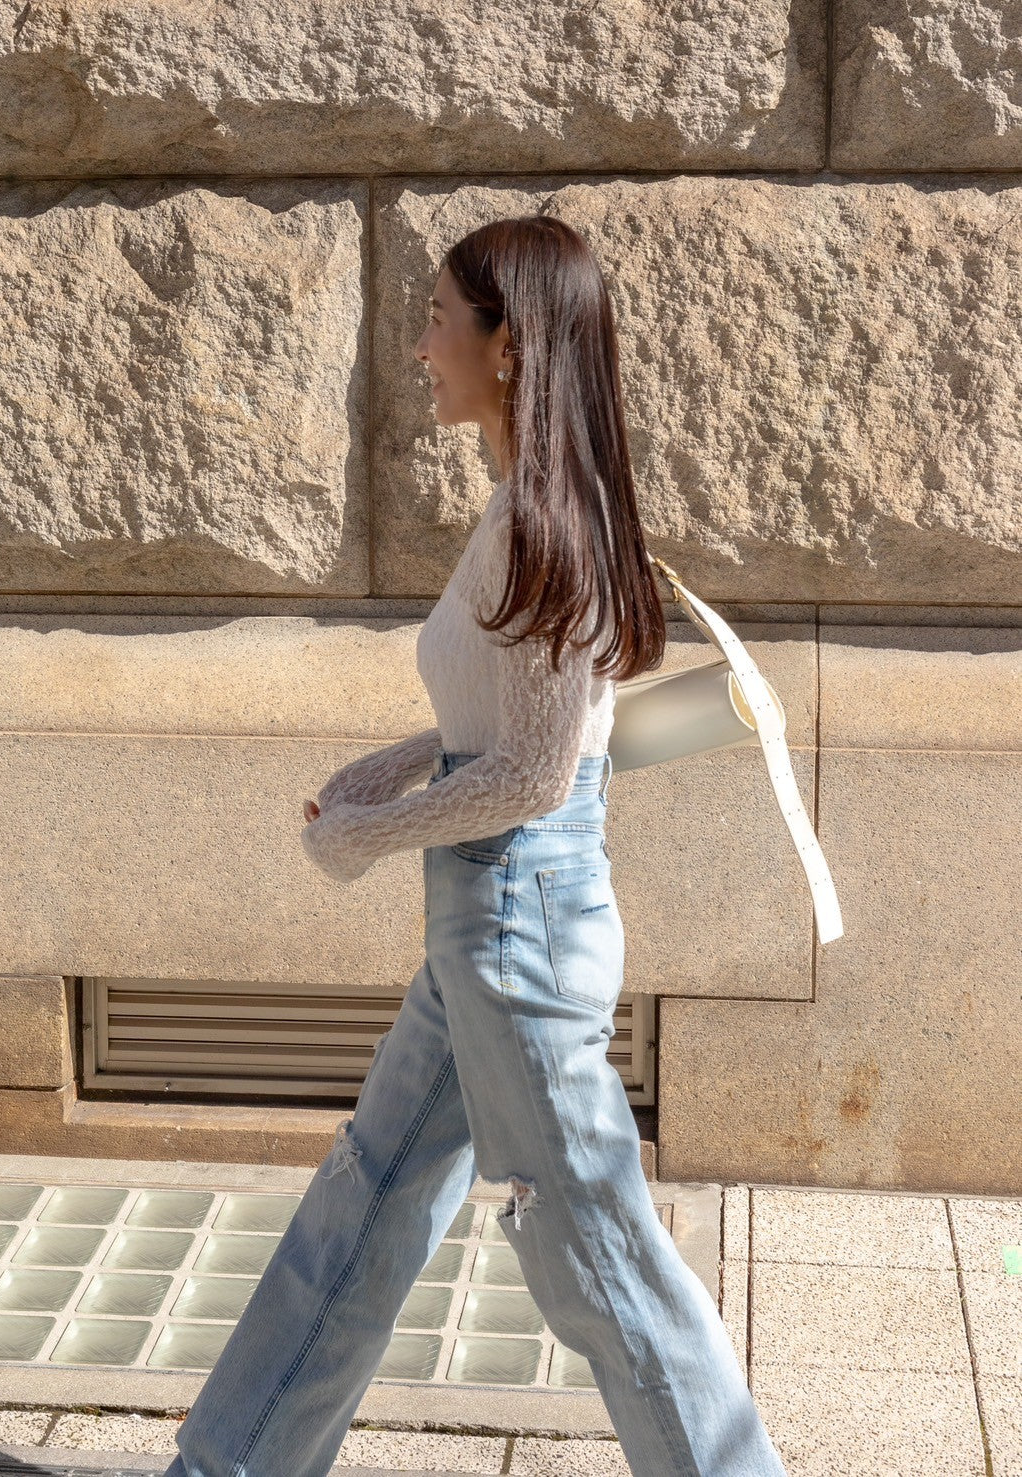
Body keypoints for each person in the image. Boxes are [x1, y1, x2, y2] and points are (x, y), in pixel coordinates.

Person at [166, 216, 788, 1477]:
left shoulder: (543, 521)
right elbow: (491, 722)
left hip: (516, 931)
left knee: (597, 1245)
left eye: (438, 320)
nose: (417, 348)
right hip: (489, 926)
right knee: (370, 1199)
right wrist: (383, 771)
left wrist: (364, 836)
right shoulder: (527, 509)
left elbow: (532, 773)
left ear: (508, 347)